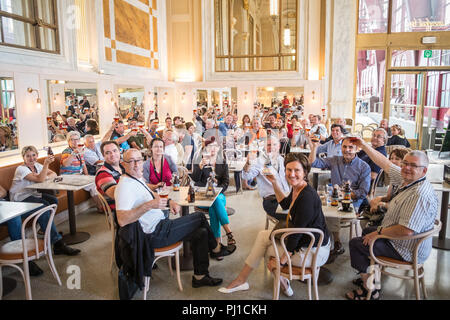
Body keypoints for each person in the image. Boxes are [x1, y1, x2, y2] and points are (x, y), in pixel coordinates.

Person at [115, 149, 230, 292]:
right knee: (199, 217)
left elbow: (153, 195)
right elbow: (122, 220)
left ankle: (200, 276)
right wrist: (148, 206)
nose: (137, 164)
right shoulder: (124, 186)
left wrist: (169, 202)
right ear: (123, 164)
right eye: (131, 161)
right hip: (154, 234)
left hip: (161, 226)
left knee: (200, 232)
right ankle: (216, 249)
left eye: (138, 160)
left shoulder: (136, 179)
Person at [219, 153, 330, 295]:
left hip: (313, 252)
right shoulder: (298, 188)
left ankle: (279, 284)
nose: (292, 174)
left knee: (266, 251)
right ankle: (244, 280)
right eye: (289, 170)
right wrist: (274, 182)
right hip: (306, 243)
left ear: (305, 172)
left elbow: (295, 236)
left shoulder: (306, 197)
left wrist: (281, 262)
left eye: (297, 170)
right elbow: (284, 204)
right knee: (262, 236)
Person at [345, 140, 438, 300]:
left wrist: (379, 233)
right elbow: (385, 163)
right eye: (405, 163)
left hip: (407, 249)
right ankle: (371, 276)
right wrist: (363, 145)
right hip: (402, 239)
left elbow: (406, 230)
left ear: (424, 171)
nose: (407, 168)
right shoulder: (408, 179)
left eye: (413, 166)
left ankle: (371, 290)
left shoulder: (419, 194)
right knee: (367, 231)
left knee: (356, 244)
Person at [7, 146, 81, 276]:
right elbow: (40, 179)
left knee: (53, 201)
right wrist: (45, 167)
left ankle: (46, 230)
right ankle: (56, 242)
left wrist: (43, 172)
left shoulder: (37, 166)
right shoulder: (21, 169)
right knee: (44, 208)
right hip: (19, 200)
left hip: (32, 197)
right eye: (28, 156)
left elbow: (53, 174)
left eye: (33, 155)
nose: (32, 158)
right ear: (23, 158)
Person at [309, 137, 371, 263]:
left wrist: (346, 194)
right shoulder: (335, 160)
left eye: (350, 147)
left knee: (331, 214)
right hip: (335, 198)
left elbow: (363, 192)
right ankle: (323, 243)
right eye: (344, 147)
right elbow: (313, 163)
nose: (347, 150)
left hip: (353, 201)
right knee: (317, 210)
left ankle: (335, 243)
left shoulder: (364, 167)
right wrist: (314, 147)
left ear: (357, 149)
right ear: (341, 148)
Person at [192, 138, 237, 254]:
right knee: (214, 204)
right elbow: (195, 179)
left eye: (215, 146)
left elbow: (226, 183)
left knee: (214, 202)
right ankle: (228, 233)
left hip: (219, 195)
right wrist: (200, 168)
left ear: (219, 148)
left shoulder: (222, 161)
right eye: (210, 146)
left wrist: (217, 189)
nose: (213, 149)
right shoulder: (200, 160)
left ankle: (216, 245)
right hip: (202, 196)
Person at [241, 137, 289, 221]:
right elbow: (246, 176)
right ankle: (283, 232)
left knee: (305, 209)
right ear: (265, 147)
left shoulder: (282, 160)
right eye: (269, 145)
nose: (271, 147)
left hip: (287, 196)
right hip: (272, 200)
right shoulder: (259, 161)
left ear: (279, 146)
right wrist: (248, 163)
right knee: (294, 215)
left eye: (274, 144)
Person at [60, 131, 103, 212]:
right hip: (68, 178)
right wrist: (74, 153)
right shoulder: (66, 151)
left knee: (95, 180)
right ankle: (100, 207)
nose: (75, 142)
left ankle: (102, 206)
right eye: (72, 140)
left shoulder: (80, 151)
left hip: (79, 176)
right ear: (68, 141)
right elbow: (65, 164)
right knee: (93, 185)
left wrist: (87, 177)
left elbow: (83, 165)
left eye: (77, 139)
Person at [95, 140, 124, 211]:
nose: (112, 154)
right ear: (103, 156)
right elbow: (115, 194)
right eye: (108, 153)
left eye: (115, 151)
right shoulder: (103, 173)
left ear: (119, 151)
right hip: (119, 211)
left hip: (130, 204)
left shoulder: (123, 167)